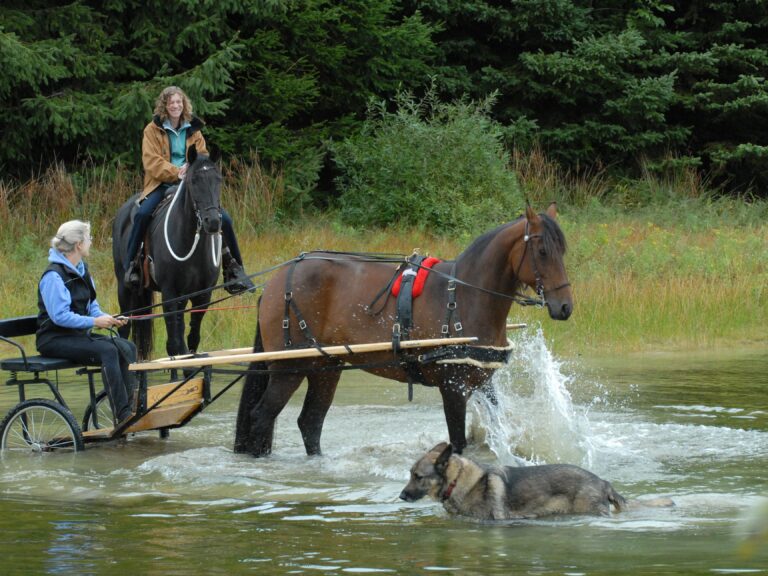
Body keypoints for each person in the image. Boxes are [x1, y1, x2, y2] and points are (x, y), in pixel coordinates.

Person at [124, 85, 254, 294]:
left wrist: (191, 168)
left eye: (179, 102)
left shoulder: (194, 129)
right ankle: (133, 266)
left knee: (225, 219)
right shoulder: (152, 130)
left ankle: (235, 269)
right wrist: (176, 171)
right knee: (142, 214)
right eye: (171, 102)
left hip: (192, 184)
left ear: (183, 104)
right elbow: (151, 161)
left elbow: (202, 155)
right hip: (161, 183)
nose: (176, 106)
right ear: (164, 106)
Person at [37, 220, 137, 426]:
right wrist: (94, 321)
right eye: (88, 238)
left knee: (127, 346)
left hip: (77, 336)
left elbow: (92, 306)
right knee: (108, 351)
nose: (91, 242)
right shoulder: (54, 276)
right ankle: (124, 414)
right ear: (79, 245)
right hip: (54, 339)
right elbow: (59, 316)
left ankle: (133, 405)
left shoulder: (82, 271)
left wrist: (109, 319)